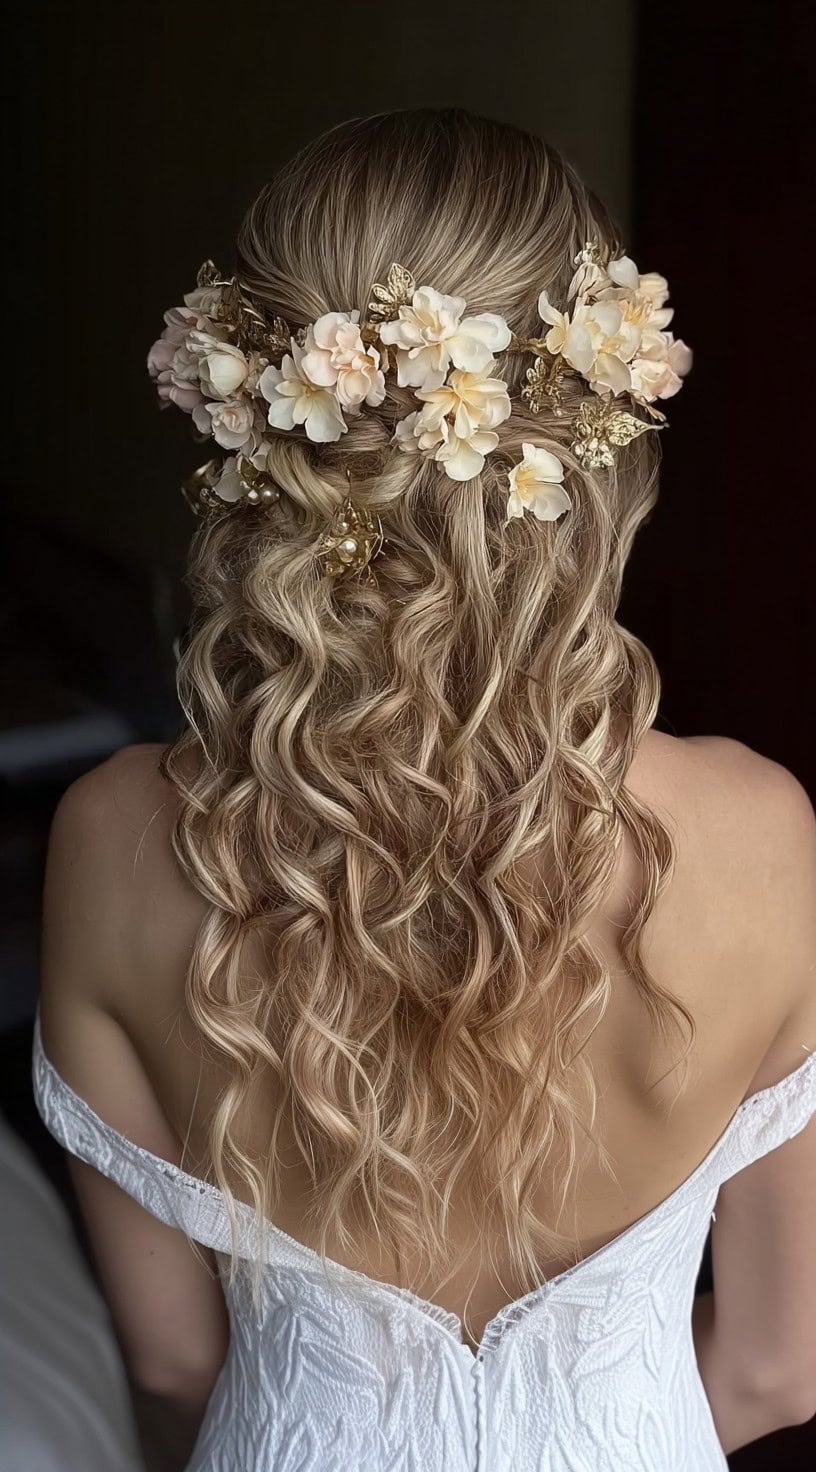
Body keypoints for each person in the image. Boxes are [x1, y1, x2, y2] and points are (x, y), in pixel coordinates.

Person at [32, 108, 816, 1471]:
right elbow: (773, 1367)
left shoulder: (111, 840)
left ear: (255, 426)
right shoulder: (759, 833)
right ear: (600, 428)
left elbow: (172, 1362)